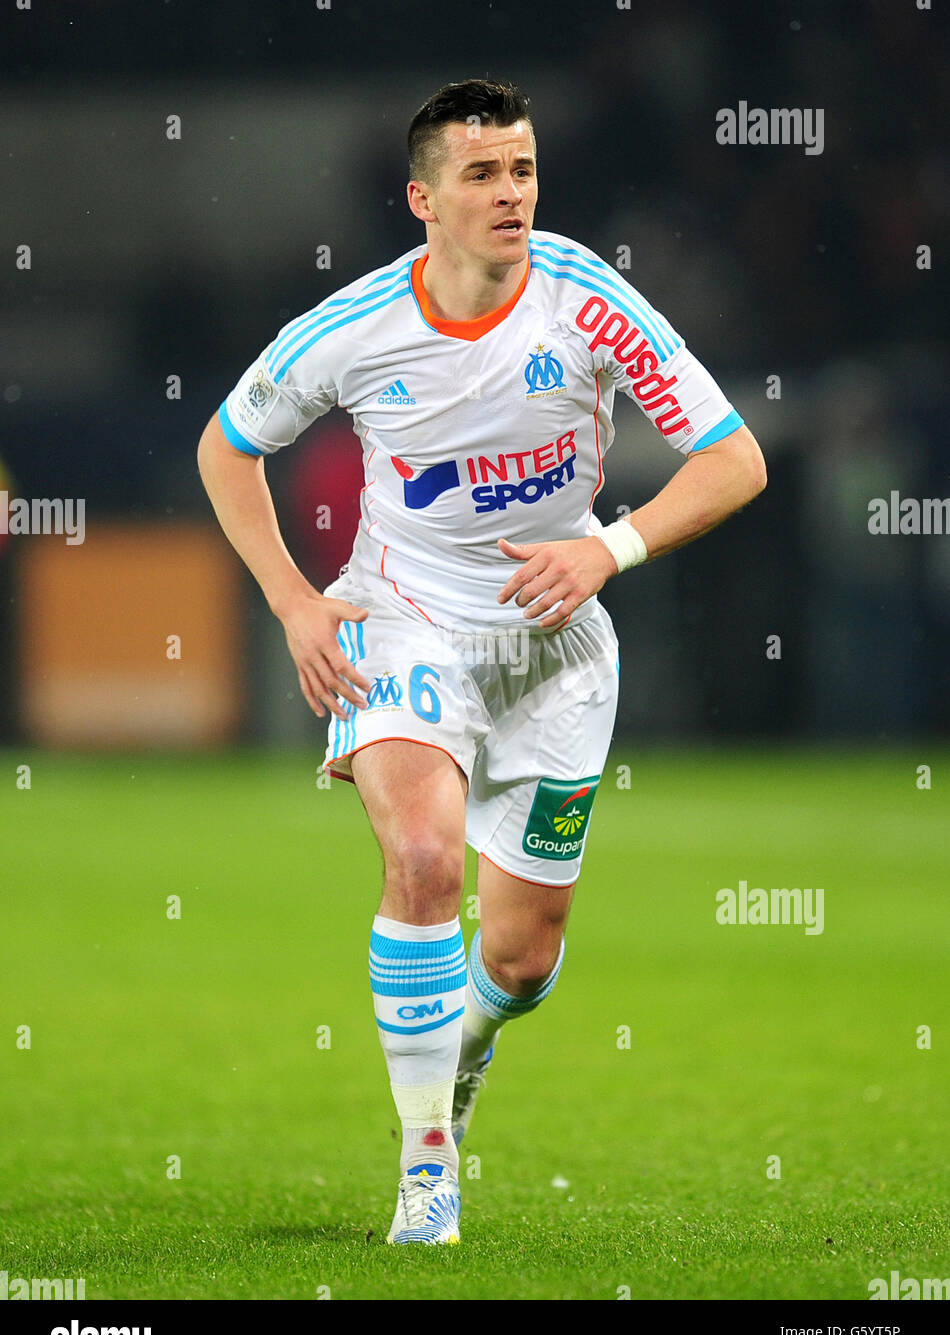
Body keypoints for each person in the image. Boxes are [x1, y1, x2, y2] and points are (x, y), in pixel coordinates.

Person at [197, 78, 766, 1246]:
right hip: (401, 624)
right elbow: (225, 444)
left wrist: (606, 547)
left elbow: (733, 458)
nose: (510, 195)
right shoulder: (350, 328)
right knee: (419, 861)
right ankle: (423, 1169)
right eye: (480, 175)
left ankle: (457, 1055)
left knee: (520, 954)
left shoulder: (586, 301)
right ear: (422, 198)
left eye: (522, 171)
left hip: (554, 646)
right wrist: (295, 602)